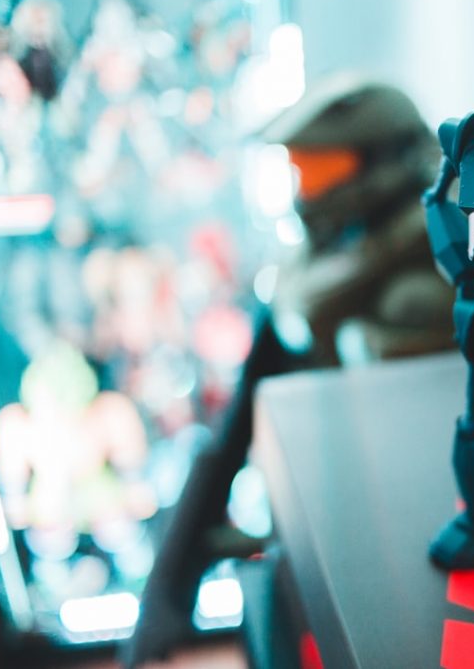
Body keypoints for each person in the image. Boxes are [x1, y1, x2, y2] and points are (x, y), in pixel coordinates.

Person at [124, 75, 454, 666]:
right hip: (315, 512)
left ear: (385, 162)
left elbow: (411, 471)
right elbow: (240, 417)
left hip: (391, 551)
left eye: (322, 169)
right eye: (301, 170)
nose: (307, 189)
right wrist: (170, 585)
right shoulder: (320, 261)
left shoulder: (421, 280)